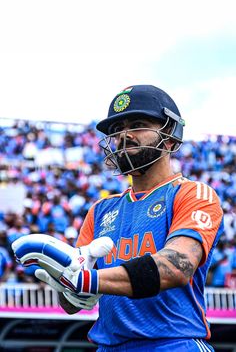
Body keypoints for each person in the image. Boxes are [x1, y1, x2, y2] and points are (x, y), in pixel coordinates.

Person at [35, 85, 225, 351]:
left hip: (173, 344)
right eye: (117, 130)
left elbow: (176, 268)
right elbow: (72, 305)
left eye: (137, 125)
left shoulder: (194, 194)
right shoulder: (100, 210)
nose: (124, 136)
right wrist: (67, 283)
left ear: (170, 136)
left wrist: (87, 280)